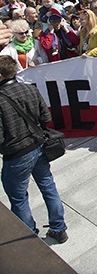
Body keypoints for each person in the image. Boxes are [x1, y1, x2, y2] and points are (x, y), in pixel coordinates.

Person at [0, 55, 68, 243]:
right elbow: (45, 118)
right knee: (48, 186)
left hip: (16, 155)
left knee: (18, 198)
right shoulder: (29, 88)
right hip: (38, 147)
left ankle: (31, 239)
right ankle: (59, 228)